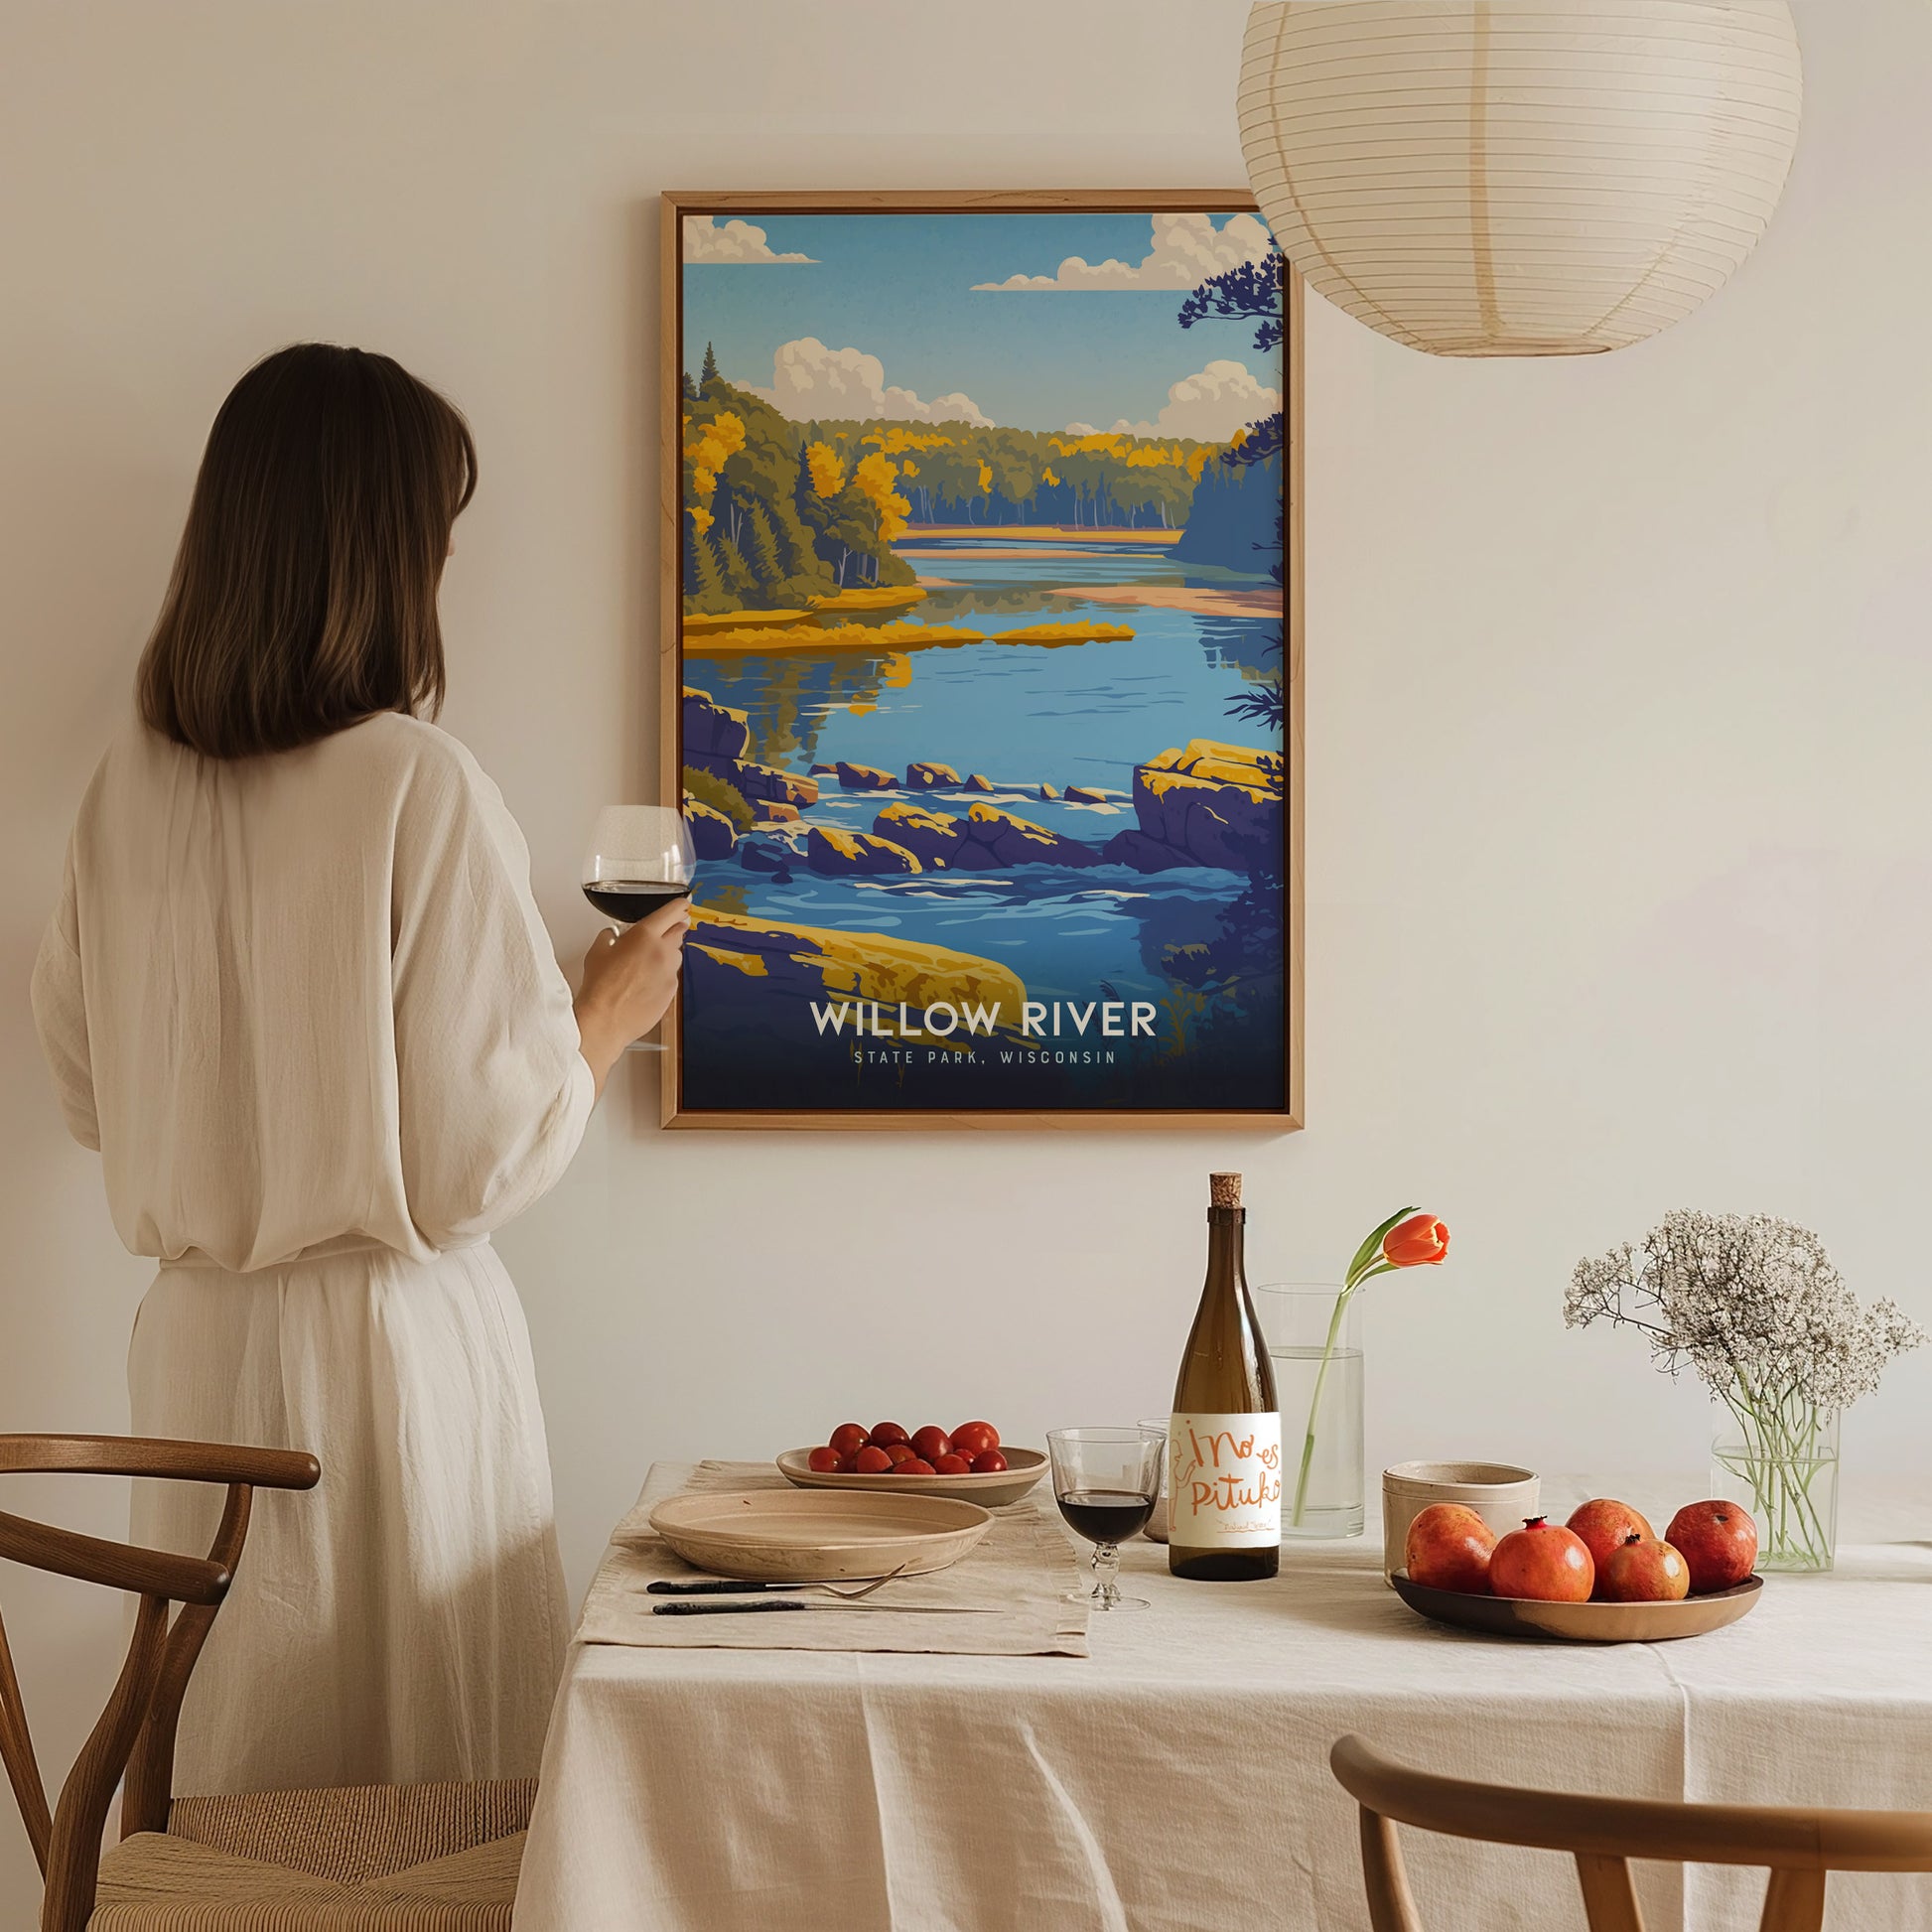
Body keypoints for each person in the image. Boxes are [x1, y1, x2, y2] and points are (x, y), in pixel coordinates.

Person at [29, 343, 686, 1793]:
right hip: (388, 1360)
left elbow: (87, 1092)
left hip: (194, 1353)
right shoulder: (415, 780)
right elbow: (470, 1167)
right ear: (385, 549)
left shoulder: (124, 790)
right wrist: (601, 1016)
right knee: (424, 1794)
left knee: (236, 1774)